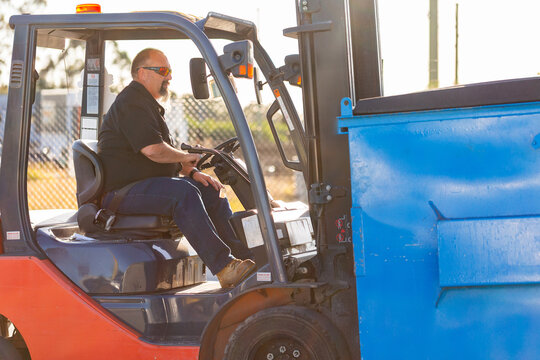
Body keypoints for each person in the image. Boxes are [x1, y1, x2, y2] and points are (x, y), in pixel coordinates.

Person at [97, 48, 255, 288]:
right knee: (183, 193)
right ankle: (223, 267)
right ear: (142, 73)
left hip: (144, 187)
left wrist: (192, 171)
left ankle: (244, 262)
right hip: (121, 193)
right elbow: (153, 150)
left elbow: (162, 155)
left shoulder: (148, 106)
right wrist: (187, 156)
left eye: (169, 71)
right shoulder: (132, 102)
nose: (169, 77)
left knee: (210, 189)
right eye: (162, 71)